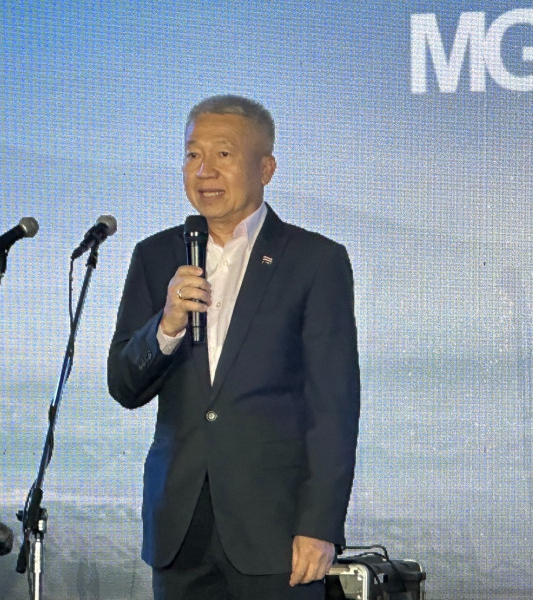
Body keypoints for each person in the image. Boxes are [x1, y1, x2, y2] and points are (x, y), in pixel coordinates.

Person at [107, 95, 360, 599]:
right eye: (192, 154)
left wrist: (320, 524)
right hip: (179, 529)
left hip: (276, 531)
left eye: (223, 154)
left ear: (266, 168)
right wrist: (166, 326)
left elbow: (333, 408)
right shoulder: (156, 256)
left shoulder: (315, 261)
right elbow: (124, 386)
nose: (204, 171)